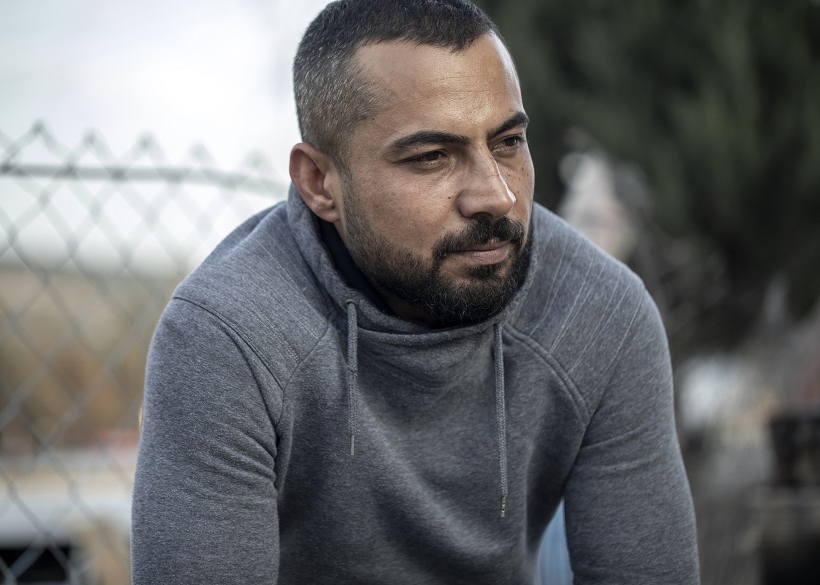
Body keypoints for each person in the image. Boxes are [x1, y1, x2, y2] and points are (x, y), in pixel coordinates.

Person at [130, 1, 700, 583]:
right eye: (432, 157)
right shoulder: (228, 339)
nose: (496, 197)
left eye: (507, 144)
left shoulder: (602, 316)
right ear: (319, 183)